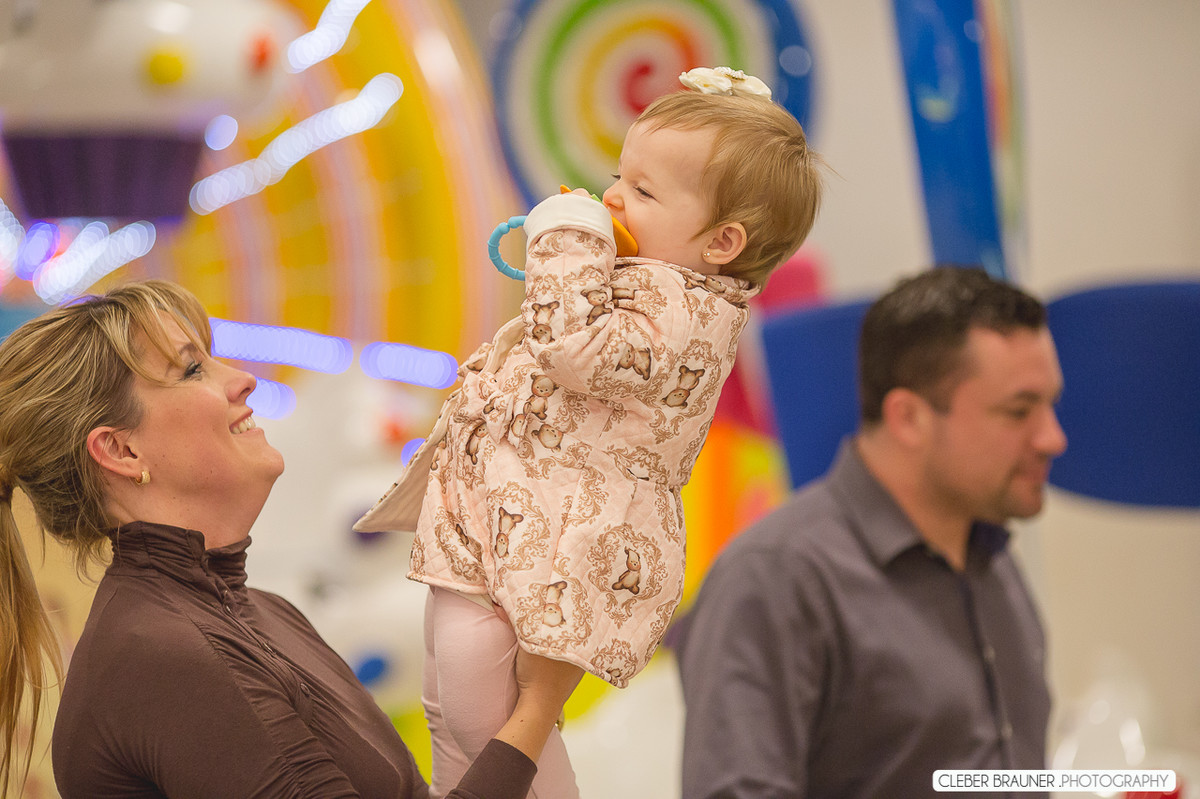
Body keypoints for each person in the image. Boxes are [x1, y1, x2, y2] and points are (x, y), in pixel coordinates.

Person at [354, 65, 824, 795]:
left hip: (565, 533)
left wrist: (567, 237)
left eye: (643, 191)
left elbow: (573, 349)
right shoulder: (637, 275)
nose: (610, 199)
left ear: (723, 242)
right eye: (617, 176)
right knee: (450, 708)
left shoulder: (691, 310)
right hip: (502, 516)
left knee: (487, 714)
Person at [0, 279, 582, 798]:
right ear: (122, 451)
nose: (244, 379)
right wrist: (537, 705)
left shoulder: (260, 613)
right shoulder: (166, 658)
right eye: (192, 369)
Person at [677, 266, 1067, 798]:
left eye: (1051, 405)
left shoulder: (990, 557)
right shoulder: (777, 576)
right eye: (1019, 411)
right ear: (908, 417)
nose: (1053, 438)